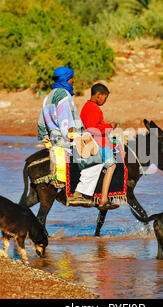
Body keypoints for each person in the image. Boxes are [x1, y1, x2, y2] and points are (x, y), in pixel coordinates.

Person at [37, 66, 103, 207]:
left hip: (54, 140)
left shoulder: (48, 97)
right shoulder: (64, 96)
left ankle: (65, 194)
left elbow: (41, 122)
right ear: (67, 79)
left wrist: (45, 138)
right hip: (66, 140)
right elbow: (66, 123)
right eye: (72, 78)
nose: (73, 81)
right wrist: (78, 139)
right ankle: (79, 194)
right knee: (97, 159)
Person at [80, 83, 120, 210]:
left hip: (90, 140)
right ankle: (103, 199)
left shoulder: (87, 106)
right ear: (98, 95)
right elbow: (93, 128)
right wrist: (109, 126)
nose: (105, 101)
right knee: (112, 165)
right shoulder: (94, 108)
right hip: (94, 142)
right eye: (105, 97)